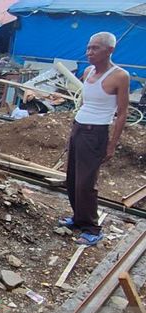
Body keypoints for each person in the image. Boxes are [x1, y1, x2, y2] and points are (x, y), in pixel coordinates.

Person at [59, 32, 129, 246]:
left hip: (95, 133)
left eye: (95, 48)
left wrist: (111, 144)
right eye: (88, 48)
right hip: (79, 128)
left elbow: (123, 113)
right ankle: (78, 219)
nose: (89, 52)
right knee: (71, 178)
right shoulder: (88, 71)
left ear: (110, 50)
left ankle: (92, 228)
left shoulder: (119, 76)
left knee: (85, 183)